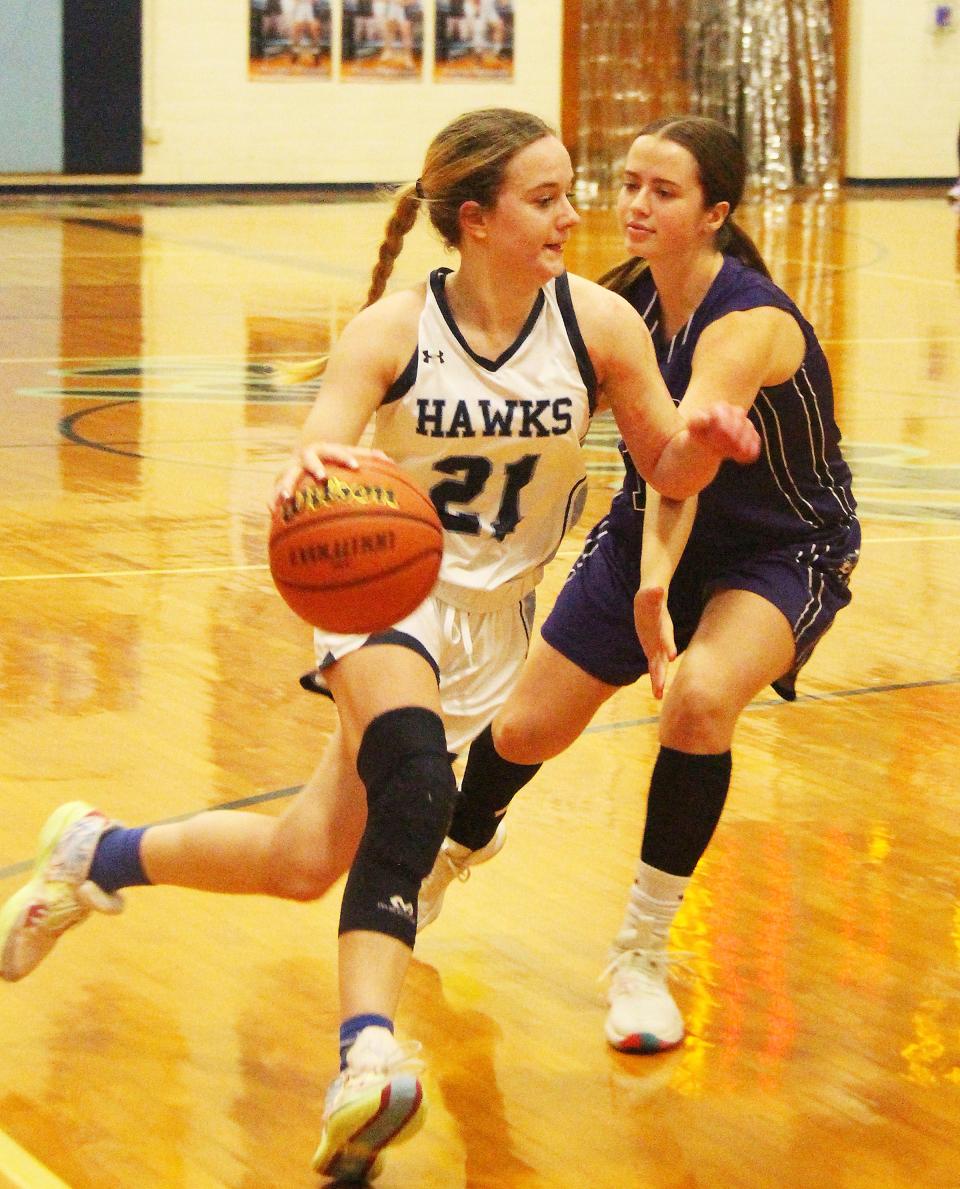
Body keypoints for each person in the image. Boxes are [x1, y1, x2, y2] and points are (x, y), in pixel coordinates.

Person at [0, 109, 760, 1180]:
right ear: (477, 218)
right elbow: (321, 445)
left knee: (307, 857)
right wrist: (307, 473)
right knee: (416, 793)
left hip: (495, 624)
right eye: (546, 198)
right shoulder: (393, 332)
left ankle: (95, 855)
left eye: (568, 193)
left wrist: (704, 442)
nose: (574, 214)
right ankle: (363, 1056)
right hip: (381, 591)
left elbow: (665, 469)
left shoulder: (598, 326)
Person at [417, 114, 860, 1058]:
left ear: (716, 214)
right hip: (648, 533)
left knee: (697, 698)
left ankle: (641, 956)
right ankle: (455, 850)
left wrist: (659, 588)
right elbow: (653, 479)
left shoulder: (746, 325)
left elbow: (683, 461)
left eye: (664, 191)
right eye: (628, 185)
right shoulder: (620, 306)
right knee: (526, 728)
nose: (633, 205)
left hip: (777, 551)